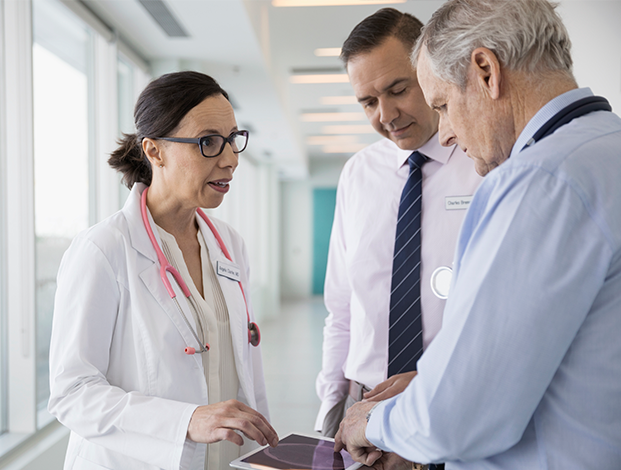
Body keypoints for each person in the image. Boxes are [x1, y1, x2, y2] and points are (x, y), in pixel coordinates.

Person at [335, 0, 621, 468]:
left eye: (444, 105)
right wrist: (437, 379)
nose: (445, 134)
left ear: (486, 71)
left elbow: (453, 418)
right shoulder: (605, 148)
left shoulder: (536, 182)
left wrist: (371, 422)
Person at [48, 71, 278, 470]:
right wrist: (186, 421)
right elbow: (72, 393)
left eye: (233, 139)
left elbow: (244, 366)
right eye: (208, 142)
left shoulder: (229, 245)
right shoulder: (103, 250)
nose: (230, 159)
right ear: (154, 151)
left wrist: (265, 454)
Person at [315, 8, 481, 469]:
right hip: (366, 419)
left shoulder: (485, 164)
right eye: (368, 102)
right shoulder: (358, 176)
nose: (386, 115)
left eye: (398, 89)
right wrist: (331, 414)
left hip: (452, 410)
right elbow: (342, 308)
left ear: (429, 72)